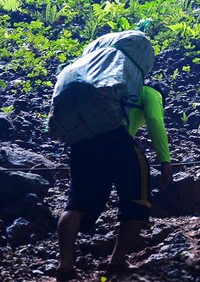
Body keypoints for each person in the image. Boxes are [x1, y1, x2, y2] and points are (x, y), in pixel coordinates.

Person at [56, 82, 173, 281]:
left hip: (83, 144)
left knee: (76, 204)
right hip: (119, 143)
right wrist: (165, 161)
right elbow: (154, 119)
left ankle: (65, 264)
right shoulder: (151, 93)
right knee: (138, 199)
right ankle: (117, 261)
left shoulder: (114, 89)